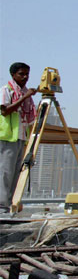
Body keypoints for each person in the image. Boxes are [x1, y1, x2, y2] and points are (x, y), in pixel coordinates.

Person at [0, 63, 37, 213]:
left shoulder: (25, 93)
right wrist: (25, 97)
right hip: (7, 138)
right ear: (13, 75)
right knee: (5, 173)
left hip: (20, 138)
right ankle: (1, 206)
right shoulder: (6, 90)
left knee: (15, 174)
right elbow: (5, 111)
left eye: (27, 74)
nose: (25, 77)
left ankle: (9, 205)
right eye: (21, 74)